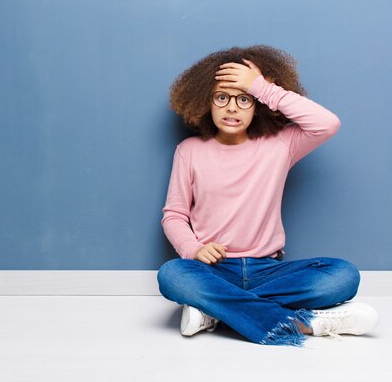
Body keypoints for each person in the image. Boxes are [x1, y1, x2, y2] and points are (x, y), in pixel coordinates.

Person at [156, 45, 379, 347]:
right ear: (206, 102)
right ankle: (306, 323)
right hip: (213, 270)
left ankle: (215, 312)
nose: (232, 107)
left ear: (257, 105)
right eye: (222, 97)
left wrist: (261, 86)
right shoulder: (190, 151)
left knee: (343, 275)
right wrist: (193, 249)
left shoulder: (280, 145)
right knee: (173, 275)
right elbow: (174, 215)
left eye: (243, 98)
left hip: (270, 270)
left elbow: (328, 124)